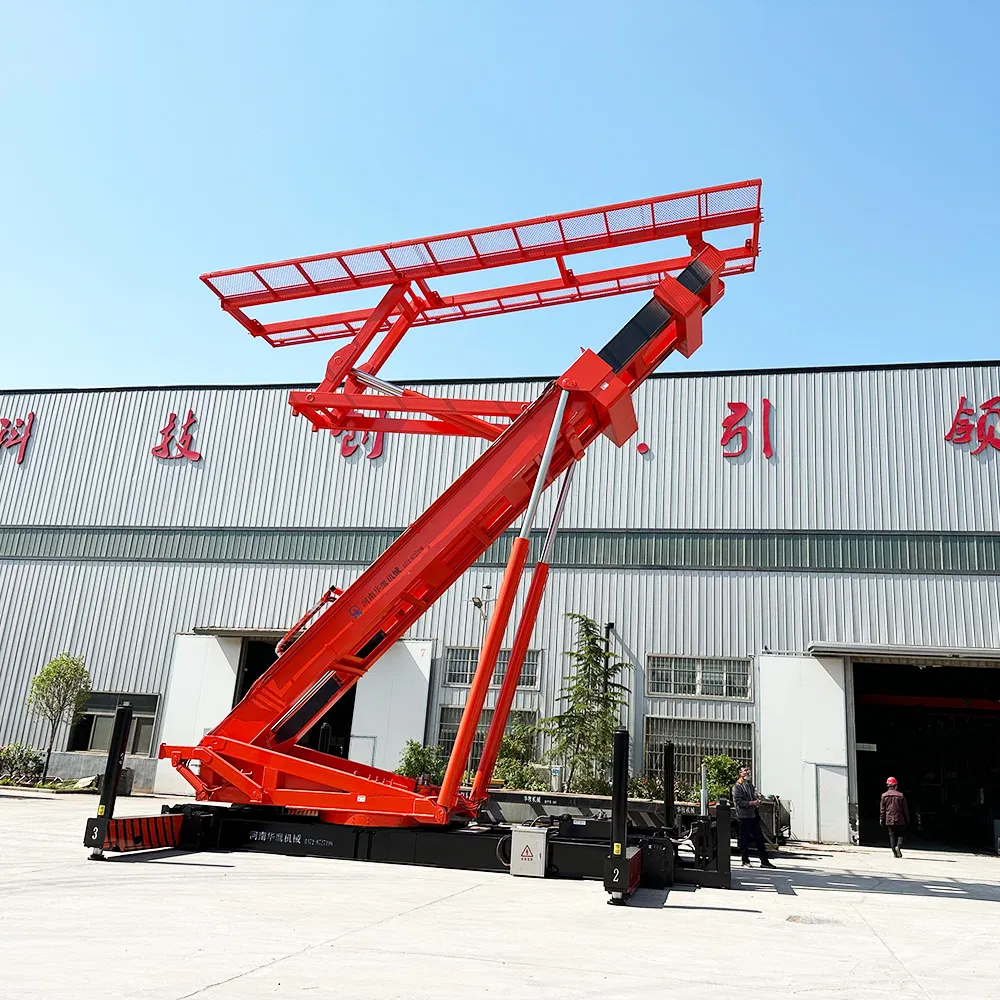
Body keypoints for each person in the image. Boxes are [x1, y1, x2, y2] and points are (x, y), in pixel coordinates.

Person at [732, 765, 775, 868]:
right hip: (743, 817)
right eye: (745, 771)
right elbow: (738, 802)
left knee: (759, 839)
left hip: (753, 816)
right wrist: (752, 803)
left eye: (748, 770)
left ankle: (764, 861)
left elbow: (753, 796)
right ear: (740, 773)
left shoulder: (750, 785)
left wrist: (757, 799)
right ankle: (745, 860)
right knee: (744, 840)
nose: (748, 772)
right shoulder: (737, 786)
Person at [879, 776, 910, 858]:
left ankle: (894, 852)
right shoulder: (901, 795)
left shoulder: (884, 796)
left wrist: (881, 819)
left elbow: (882, 810)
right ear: (896, 785)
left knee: (892, 835)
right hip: (900, 818)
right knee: (901, 834)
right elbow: (905, 809)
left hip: (889, 819)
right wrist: (907, 819)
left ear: (888, 785)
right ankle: (898, 846)